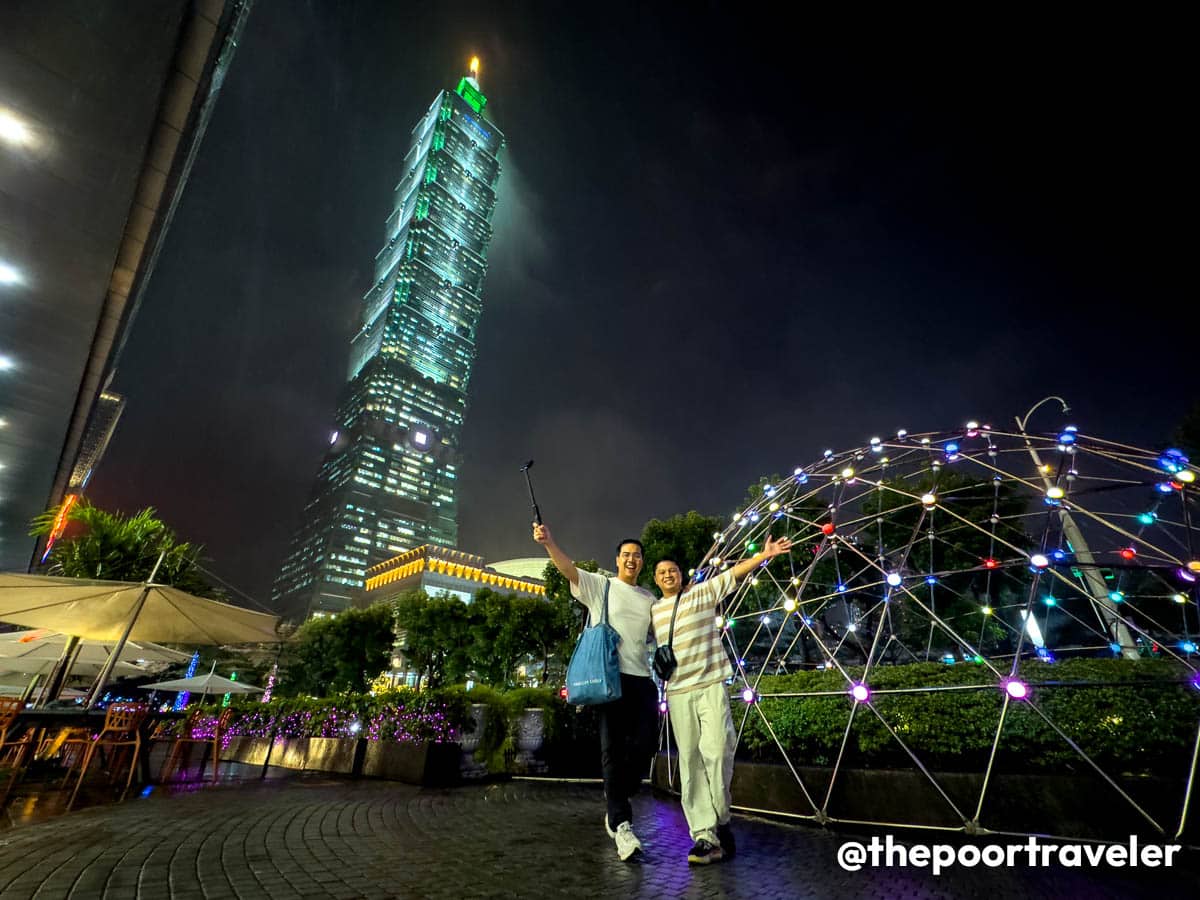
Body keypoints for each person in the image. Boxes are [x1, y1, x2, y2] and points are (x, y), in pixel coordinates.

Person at [651, 533, 793, 865]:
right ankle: (704, 835)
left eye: (672, 570)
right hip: (678, 691)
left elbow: (733, 574)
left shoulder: (701, 594)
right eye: (661, 573)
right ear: (656, 580)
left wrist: (765, 555)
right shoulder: (654, 609)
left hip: (711, 684)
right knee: (689, 760)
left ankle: (721, 818)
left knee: (718, 751)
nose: (668, 575)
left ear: (681, 574)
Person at [533, 522, 658, 861]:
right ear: (617, 559)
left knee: (647, 744)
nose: (632, 560)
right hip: (610, 679)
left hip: (643, 681)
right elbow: (568, 569)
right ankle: (620, 824)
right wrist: (549, 542)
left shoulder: (649, 597)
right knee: (612, 751)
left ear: (643, 562)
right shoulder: (601, 586)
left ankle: (619, 794)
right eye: (626, 555)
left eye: (637, 556)